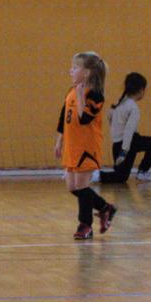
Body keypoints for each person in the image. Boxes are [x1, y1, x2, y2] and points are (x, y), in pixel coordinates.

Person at [54, 52, 117, 239]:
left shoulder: (96, 96)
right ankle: (105, 208)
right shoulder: (71, 91)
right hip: (72, 146)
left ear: (86, 73)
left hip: (87, 147)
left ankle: (85, 226)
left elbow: (84, 119)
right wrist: (59, 140)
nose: (70, 71)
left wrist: (81, 96)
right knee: (72, 187)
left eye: (75, 68)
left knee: (81, 186)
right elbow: (64, 117)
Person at [94, 72, 151, 183]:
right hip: (128, 144)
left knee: (120, 177)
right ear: (141, 90)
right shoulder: (133, 108)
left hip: (117, 145)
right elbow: (128, 131)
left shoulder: (120, 103)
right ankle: (142, 172)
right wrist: (124, 152)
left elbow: (109, 116)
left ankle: (95, 175)